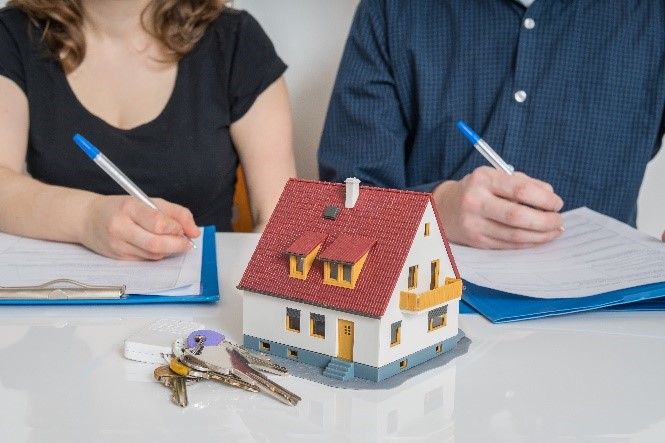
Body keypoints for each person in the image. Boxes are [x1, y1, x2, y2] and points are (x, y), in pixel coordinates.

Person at [318, 0, 665, 249]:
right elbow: (343, 204)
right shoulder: (391, 10)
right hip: (433, 306)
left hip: (608, 318)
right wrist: (436, 210)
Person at [0, 0, 296, 260]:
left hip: (205, 305)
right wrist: (88, 217)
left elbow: (280, 219)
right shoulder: (13, 33)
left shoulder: (237, 41)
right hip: (62, 304)